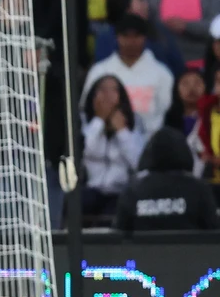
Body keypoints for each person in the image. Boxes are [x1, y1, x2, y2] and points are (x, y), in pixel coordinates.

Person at [82, 13, 174, 135]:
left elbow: (166, 111)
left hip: (150, 143)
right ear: (117, 37)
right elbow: (85, 109)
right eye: (125, 36)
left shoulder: (162, 73)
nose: (131, 41)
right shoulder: (99, 71)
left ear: (145, 38)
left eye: (136, 36)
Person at [114, 127, 219, 233]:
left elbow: (118, 235)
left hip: (143, 249)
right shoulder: (199, 189)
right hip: (189, 249)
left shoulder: (132, 191)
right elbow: (214, 232)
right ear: (183, 151)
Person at [81, 74, 143, 218]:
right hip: (90, 188)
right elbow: (83, 151)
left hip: (120, 191)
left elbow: (138, 163)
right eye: (102, 90)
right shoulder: (83, 119)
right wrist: (99, 120)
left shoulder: (134, 121)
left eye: (113, 90)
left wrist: (122, 131)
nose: (107, 95)